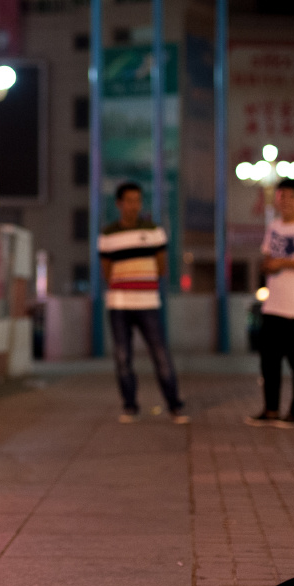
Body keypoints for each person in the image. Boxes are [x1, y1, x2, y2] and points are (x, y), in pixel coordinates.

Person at [99, 181, 187, 424]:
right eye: (128, 201)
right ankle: (130, 406)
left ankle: (174, 404)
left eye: (137, 200)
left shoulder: (154, 231)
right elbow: (106, 271)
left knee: (160, 353)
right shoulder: (108, 235)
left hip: (148, 302)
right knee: (122, 356)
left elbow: (162, 266)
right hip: (118, 304)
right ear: (118, 204)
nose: (133, 206)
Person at [245, 177, 294, 429]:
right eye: (282, 196)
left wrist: (284, 263)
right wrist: (268, 265)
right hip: (273, 306)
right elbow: (268, 258)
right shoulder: (274, 226)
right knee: (269, 361)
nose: (286, 201)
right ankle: (270, 410)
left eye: (292, 196)